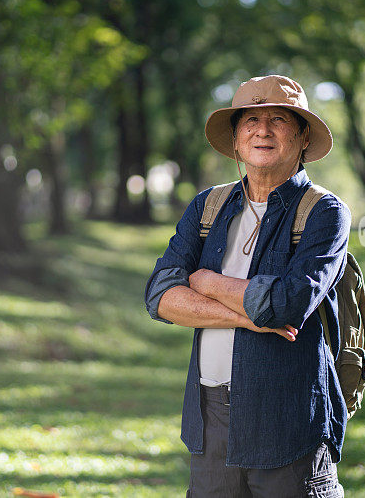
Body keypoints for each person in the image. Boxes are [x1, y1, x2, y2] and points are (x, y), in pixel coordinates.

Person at [144, 75, 351, 497]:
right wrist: (249, 319)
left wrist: (207, 282)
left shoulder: (324, 212)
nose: (262, 129)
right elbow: (160, 296)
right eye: (250, 120)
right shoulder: (208, 206)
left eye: (279, 119)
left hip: (289, 419)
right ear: (236, 138)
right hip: (210, 419)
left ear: (303, 135)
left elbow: (289, 303)